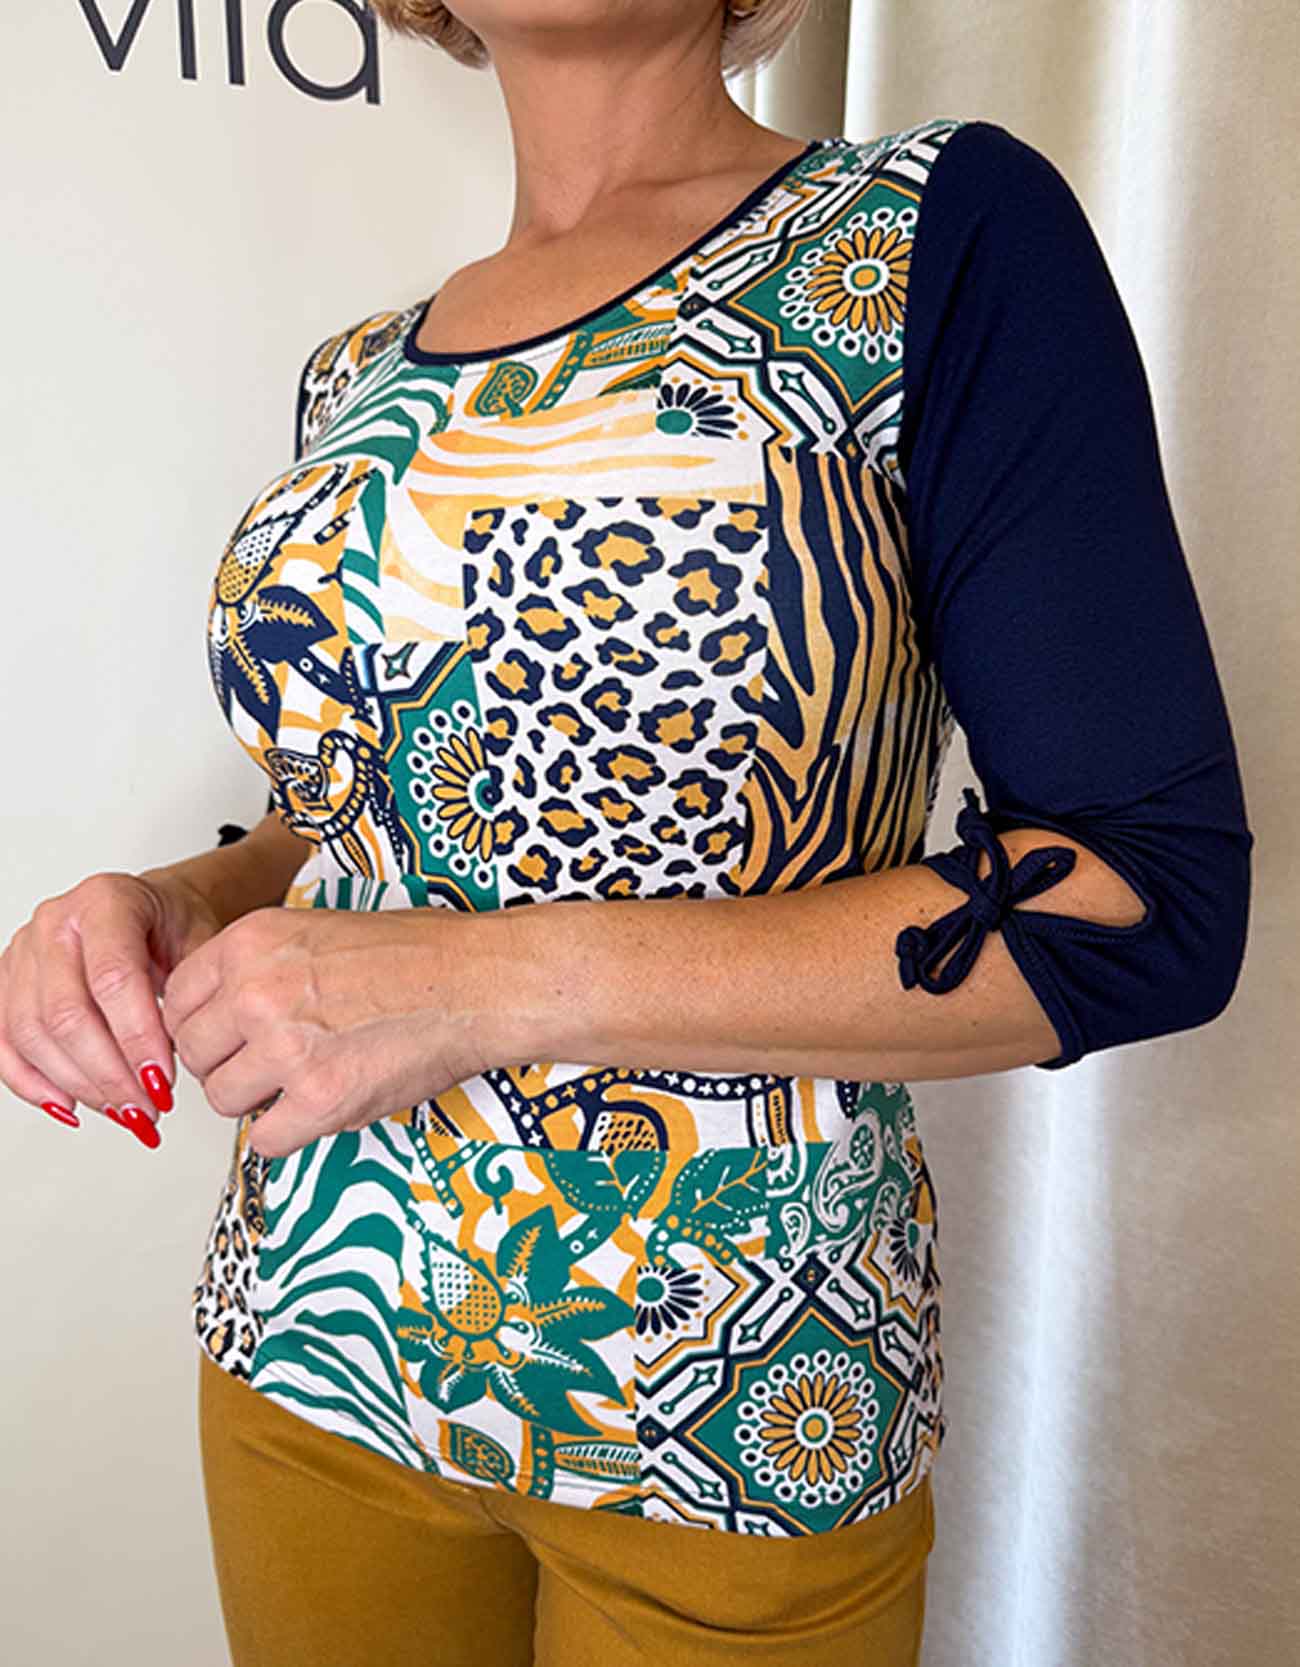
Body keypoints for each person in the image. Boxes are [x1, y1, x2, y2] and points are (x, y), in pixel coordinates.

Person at [2, 1, 1254, 1663]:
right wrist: (180, 900)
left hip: (732, 1393)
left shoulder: (926, 238)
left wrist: (480, 989)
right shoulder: (357, 377)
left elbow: (1138, 899)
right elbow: (367, 817)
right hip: (308, 1335)